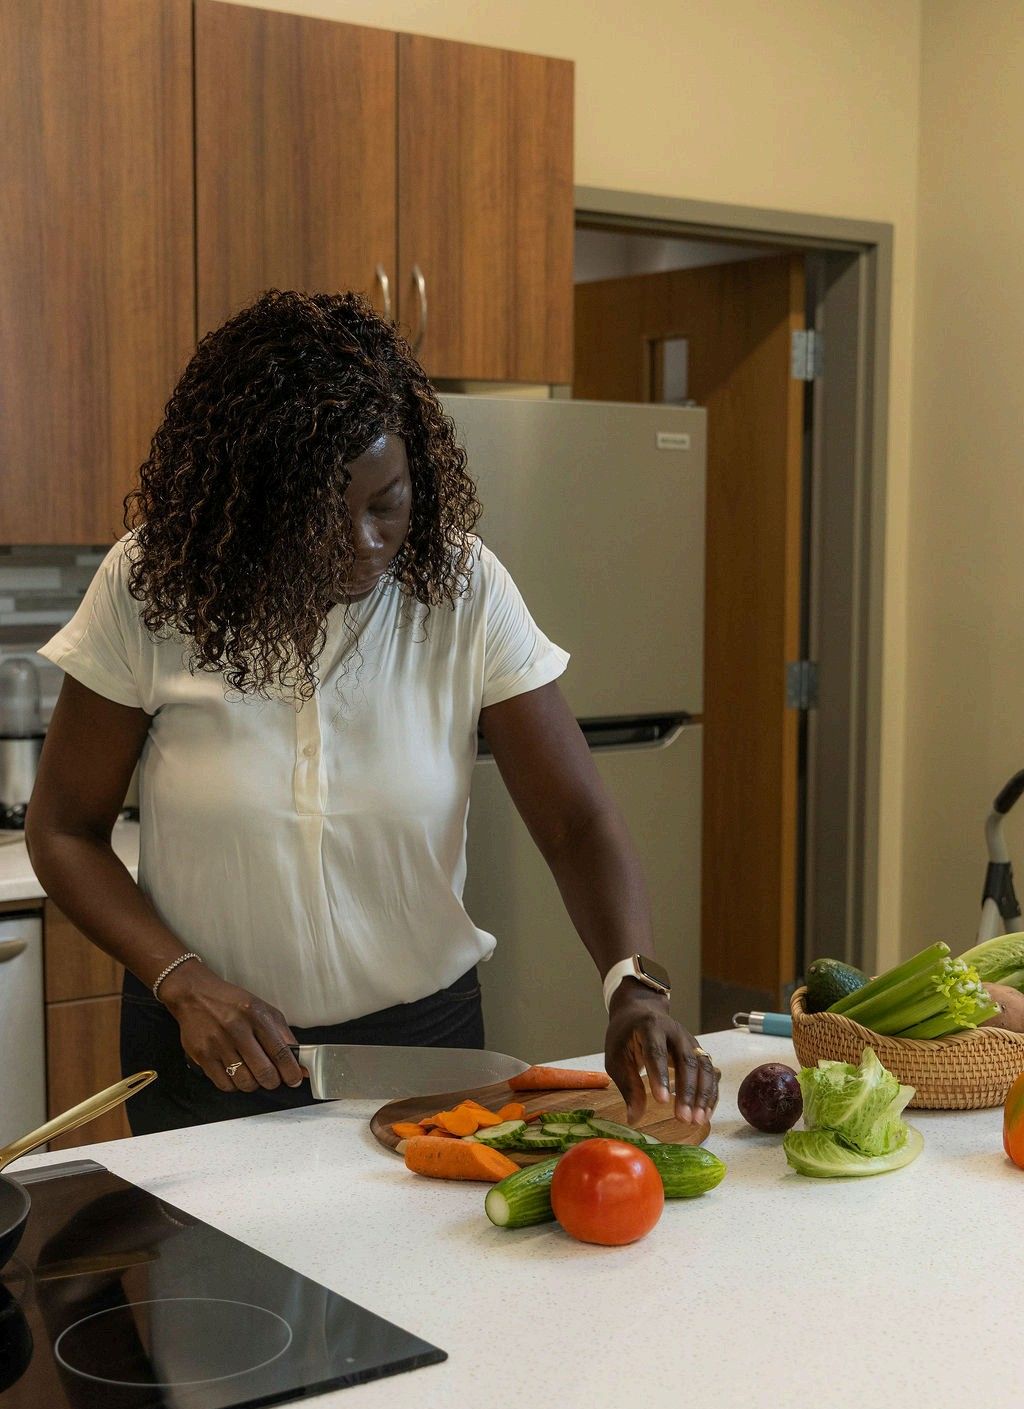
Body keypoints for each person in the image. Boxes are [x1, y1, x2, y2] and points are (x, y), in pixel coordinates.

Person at [25, 289, 719, 1135]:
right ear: (249, 506)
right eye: (320, 516)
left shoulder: (464, 589)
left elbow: (576, 822)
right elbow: (62, 829)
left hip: (423, 1053)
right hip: (207, 1049)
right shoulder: (153, 588)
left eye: (386, 500)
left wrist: (632, 985)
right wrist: (182, 980)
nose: (362, 541)